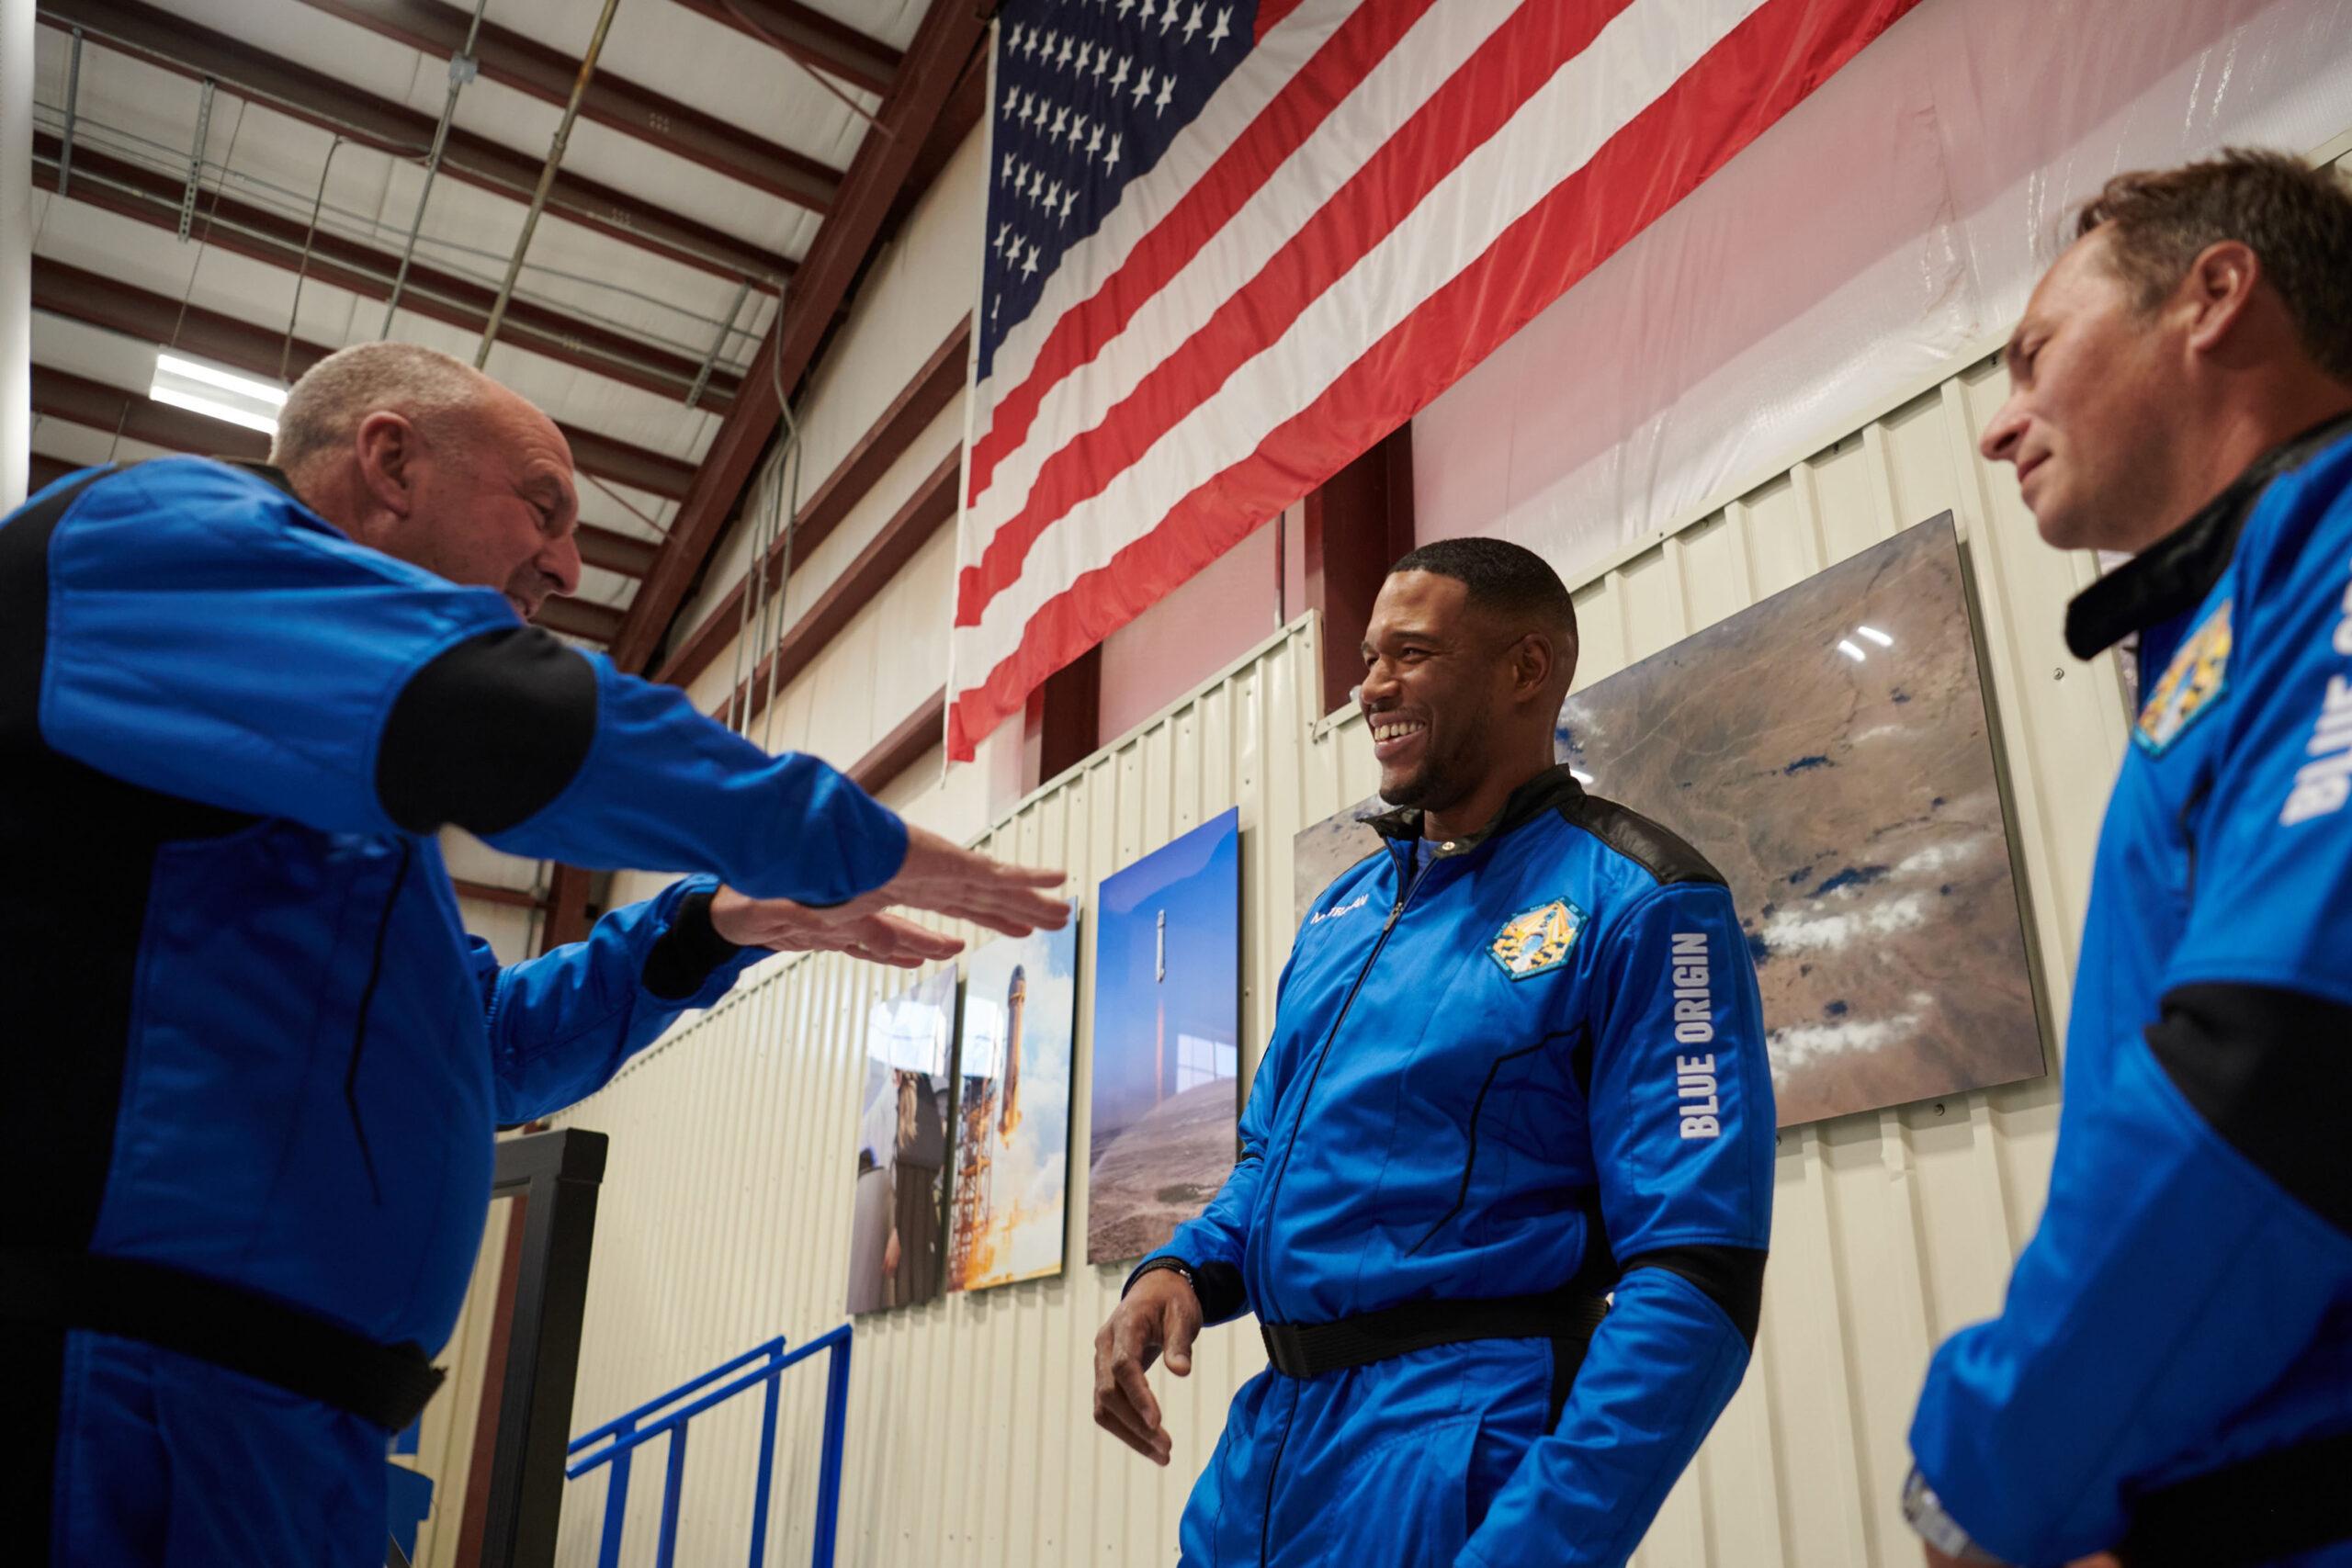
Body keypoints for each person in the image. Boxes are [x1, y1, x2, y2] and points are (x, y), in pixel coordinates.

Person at [0, 342, 1068, 1565]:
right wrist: (837, 837)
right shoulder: (149, 539)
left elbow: (482, 1050)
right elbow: (513, 715)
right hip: (118, 1405)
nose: (564, 562)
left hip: (288, 1431)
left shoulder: (347, 828)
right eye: (542, 506)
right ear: (390, 459)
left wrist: (698, 926)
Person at [1091, 538, 1774, 1566]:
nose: (1370, 685)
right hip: (1269, 1453)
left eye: (1408, 653)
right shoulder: (1341, 914)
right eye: (1367, 657)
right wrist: (1180, 1268)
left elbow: (1696, 1273)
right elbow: (1267, 1171)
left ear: (1524, 670)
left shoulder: (1644, 903)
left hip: (1458, 1453)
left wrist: (1544, 1540)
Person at [1902, 151, 2352, 1568]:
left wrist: (1995, 1471)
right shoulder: (2241, 619)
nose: (1997, 424)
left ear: (2216, 294)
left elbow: (2282, 1062)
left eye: (2033, 353)